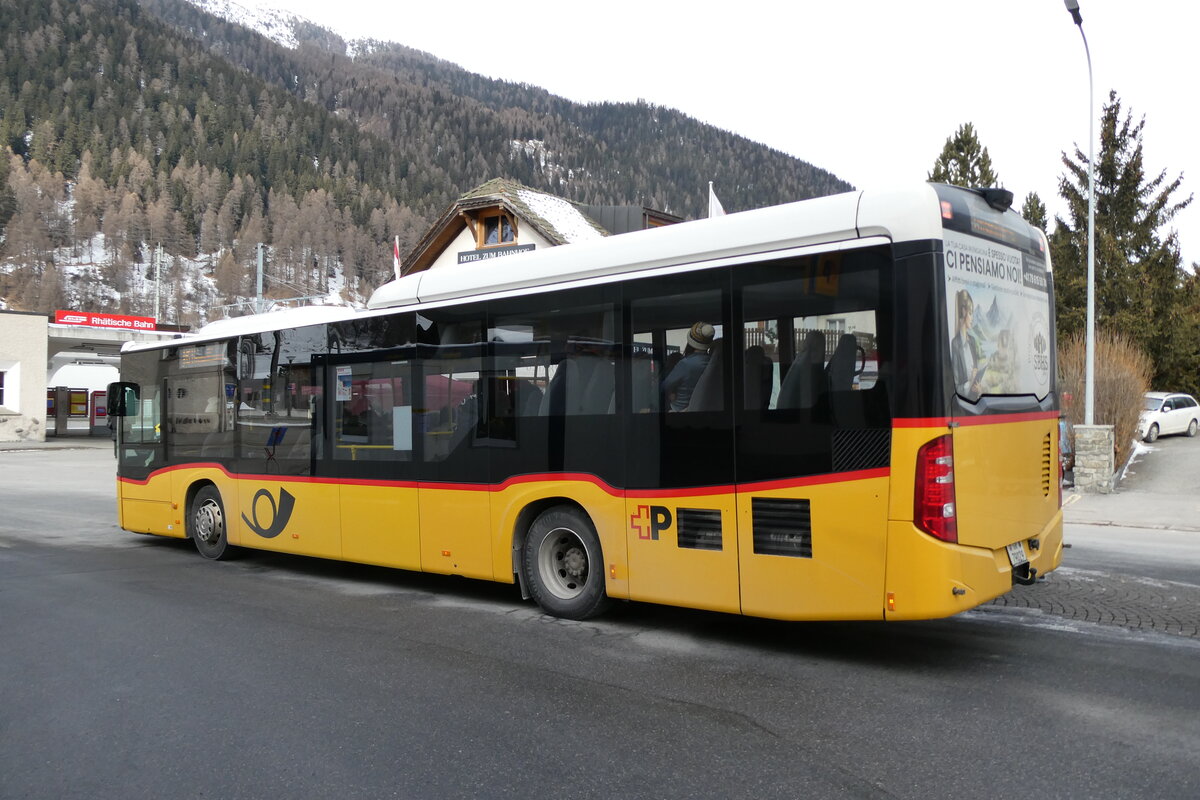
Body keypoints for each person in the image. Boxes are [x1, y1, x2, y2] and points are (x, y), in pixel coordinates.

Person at [662, 322, 715, 412]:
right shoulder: (712, 362)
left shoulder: (685, 364)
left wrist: (671, 393)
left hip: (682, 412)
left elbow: (665, 387)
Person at [951, 289, 982, 399]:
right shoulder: (955, 344)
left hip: (975, 402)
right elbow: (955, 388)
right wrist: (970, 382)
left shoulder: (972, 341)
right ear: (963, 312)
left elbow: (976, 376)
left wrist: (979, 389)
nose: (972, 317)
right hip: (963, 408)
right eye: (970, 313)